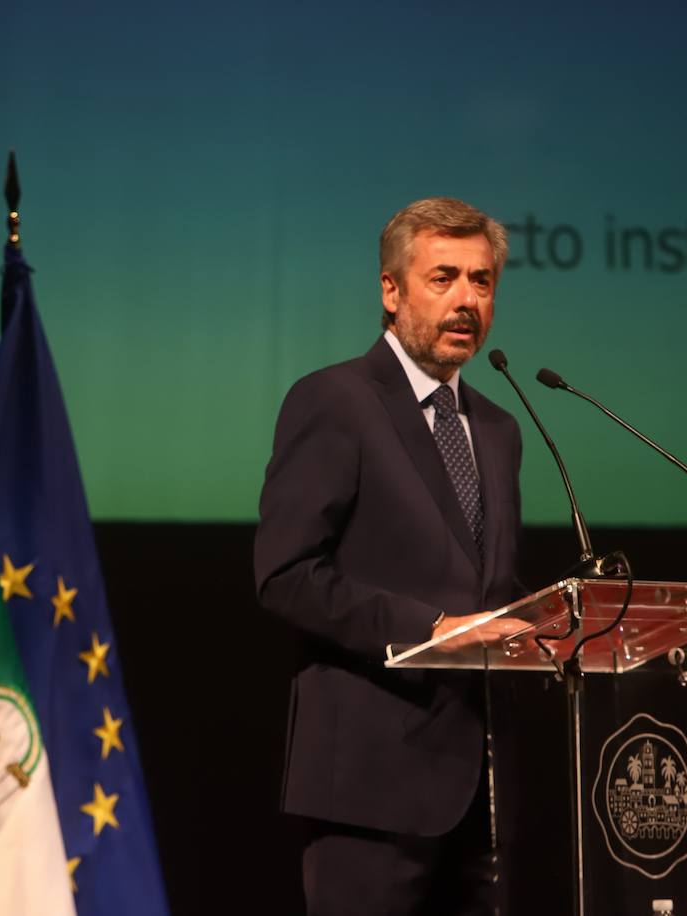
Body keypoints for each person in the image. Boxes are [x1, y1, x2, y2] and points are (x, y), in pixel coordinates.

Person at [254, 197, 527, 915]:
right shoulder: (334, 401)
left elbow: (487, 582)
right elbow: (286, 576)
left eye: (482, 280)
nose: (467, 299)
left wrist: (555, 624)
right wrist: (429, 627)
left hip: (485, 792)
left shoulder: (499, 431)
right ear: (391, 290)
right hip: (371, 784)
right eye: (443, 278)